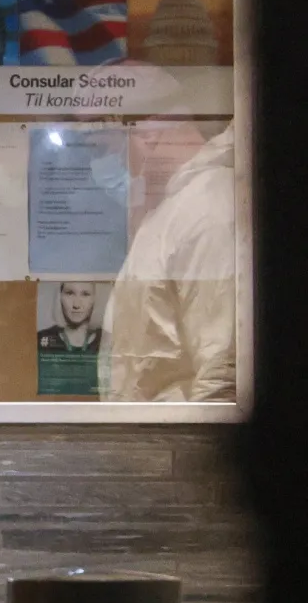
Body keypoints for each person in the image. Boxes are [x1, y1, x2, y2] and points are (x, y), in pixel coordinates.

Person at [102, 124, 237, 402]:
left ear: (147, 134)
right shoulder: (171, 209)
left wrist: (199, 445)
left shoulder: (209, 208)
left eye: (107, 147)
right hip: (153, 435)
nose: (110, 161)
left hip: (174, 437)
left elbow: (221, 373)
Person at [38, 281, 104, 354]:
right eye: (70, 293)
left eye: (85, 294)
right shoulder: (40, 339)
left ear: (95, 299)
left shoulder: (110, 340)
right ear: (59, 297)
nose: (76, 305)